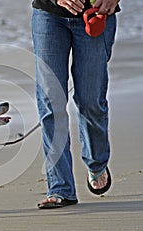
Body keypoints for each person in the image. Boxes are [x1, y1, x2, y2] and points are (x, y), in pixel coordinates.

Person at [32, 0, 120, 208]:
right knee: (50, 102)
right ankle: (60, 188)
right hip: (49, 15)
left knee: (90, 101)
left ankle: (97, 163)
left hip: (97, 13)